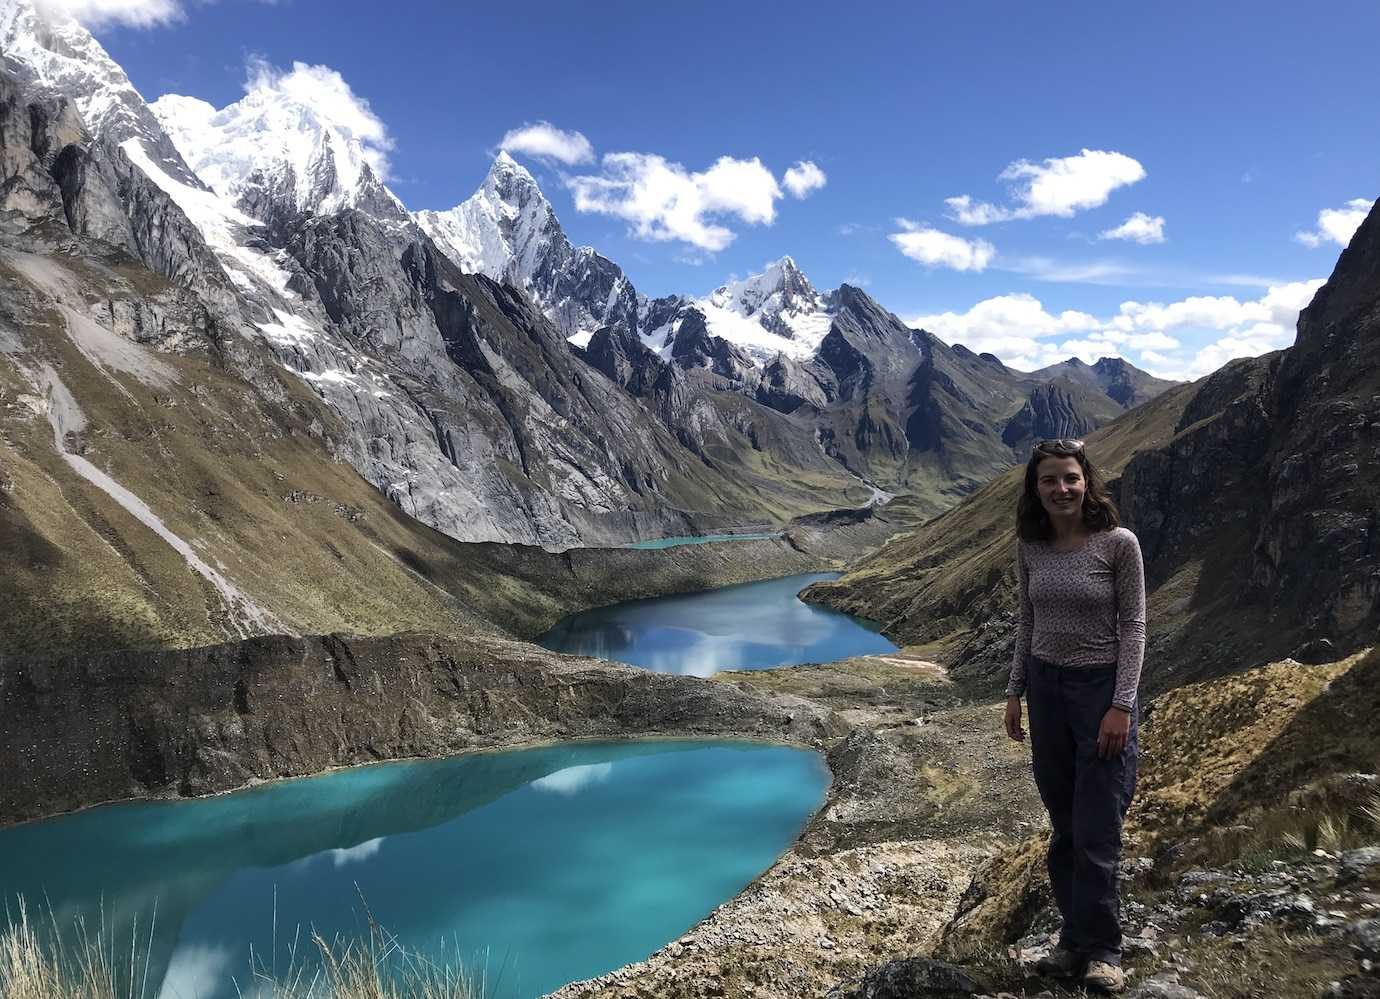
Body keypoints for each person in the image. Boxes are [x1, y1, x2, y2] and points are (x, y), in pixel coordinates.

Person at [1002, 438, 1144, 995]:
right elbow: (1026, 622)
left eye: (1070, 478)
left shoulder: (1118, 544)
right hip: (1045, 689)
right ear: (1035, 490)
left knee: (1097, 827)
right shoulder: (1030, 547)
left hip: (1099, 692)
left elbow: (1133, 626)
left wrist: (1121, 705)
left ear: (1087, 482)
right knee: (1064, 826)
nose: (1061, 489)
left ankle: (1105, 949)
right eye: (1049, 481)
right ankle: (1072, 941)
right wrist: (1016, 692)